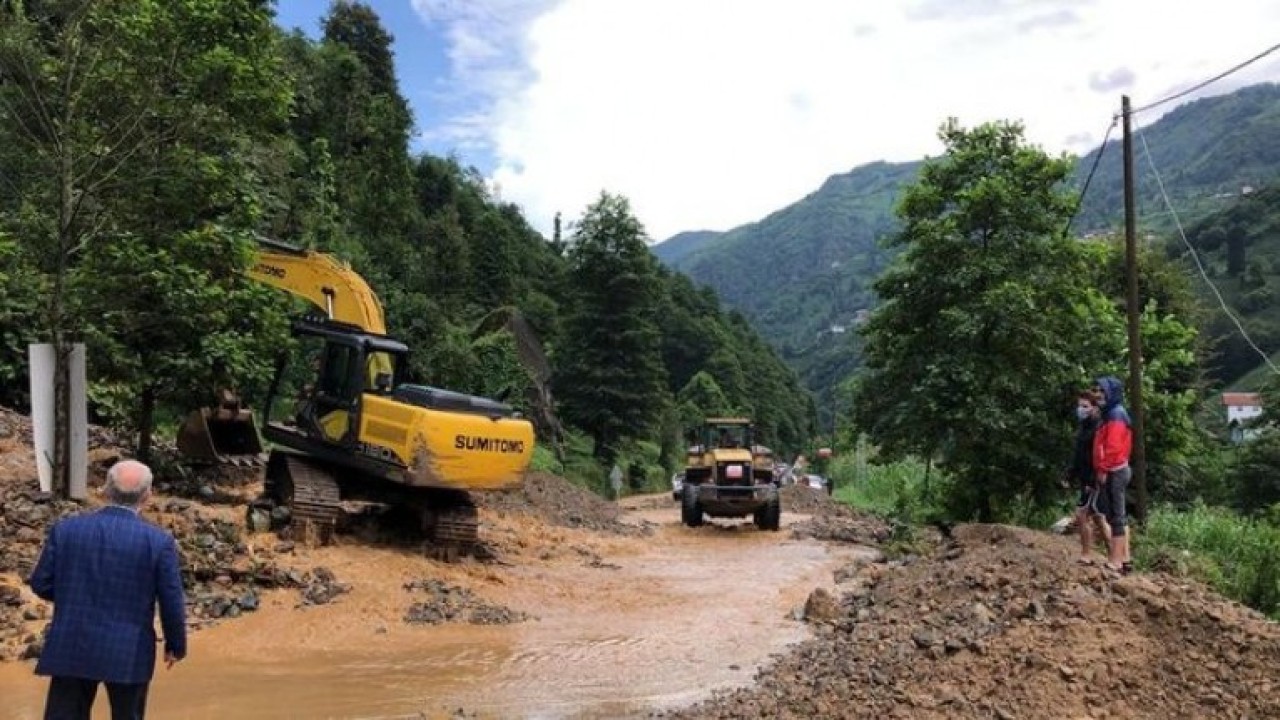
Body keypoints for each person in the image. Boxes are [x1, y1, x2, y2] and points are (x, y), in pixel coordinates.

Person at [27, 460, 187, 720]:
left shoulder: (66, 530)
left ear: (105, 490)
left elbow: (40, 583)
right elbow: (171, 601)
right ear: (147, 496)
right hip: (129, 649)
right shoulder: (158, 541)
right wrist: (175, 645)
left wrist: (73, 596)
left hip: (72, 643)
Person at [1092, 376, 1134, 574]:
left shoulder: (1116, 414)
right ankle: (1123, 559)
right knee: (1114, 515)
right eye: (1097, 390)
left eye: (1102, 391)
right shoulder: (1109, 414)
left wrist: (1103, 469)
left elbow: (1113, 447)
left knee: (1117, 516)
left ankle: (1116, 561)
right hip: (1113, 469)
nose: (1098, 394)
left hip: (1115, 470)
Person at [1068, 391, 1108, 563]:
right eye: (1079, 406)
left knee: (1082, 514)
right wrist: (1070, 474)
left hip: (1093, 479)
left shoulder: (1097, 429)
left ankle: (1086, 555)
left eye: (1085, 406)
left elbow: (1097, 456)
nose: (1081, 410)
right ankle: (1117, 557)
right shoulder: (1084, 427)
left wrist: (1092, 480)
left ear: (1094, 408)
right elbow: (1079, 455)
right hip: (1085, 478)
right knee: (1099, 518)